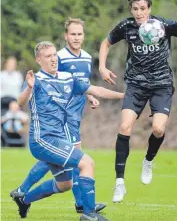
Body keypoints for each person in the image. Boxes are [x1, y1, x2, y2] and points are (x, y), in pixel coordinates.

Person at [99, 0, 177, 203]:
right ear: (131, 9)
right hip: (136, 85)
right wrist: (102, 67)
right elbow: (106, 43)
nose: (139, 13)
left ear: (149, 9)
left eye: (142, 9)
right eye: (135, 9)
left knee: (158, 128)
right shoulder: (126, 27)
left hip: (161, 86)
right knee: (125, 127)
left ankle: (148, 160)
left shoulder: (163, 25)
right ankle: (119, 183)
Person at [12, 41, 124, 221]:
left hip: (59, 138)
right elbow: (20, 102)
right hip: (43, 140)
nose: (53, 59)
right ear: (38, 60)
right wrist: (30, 87)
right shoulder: (36, 80)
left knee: (65, 184)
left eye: (54, 54)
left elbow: (96, 89)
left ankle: (24, 199)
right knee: (87, 163)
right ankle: (89, 214)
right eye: (48, 56)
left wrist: (124, 96)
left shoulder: (67, 78)